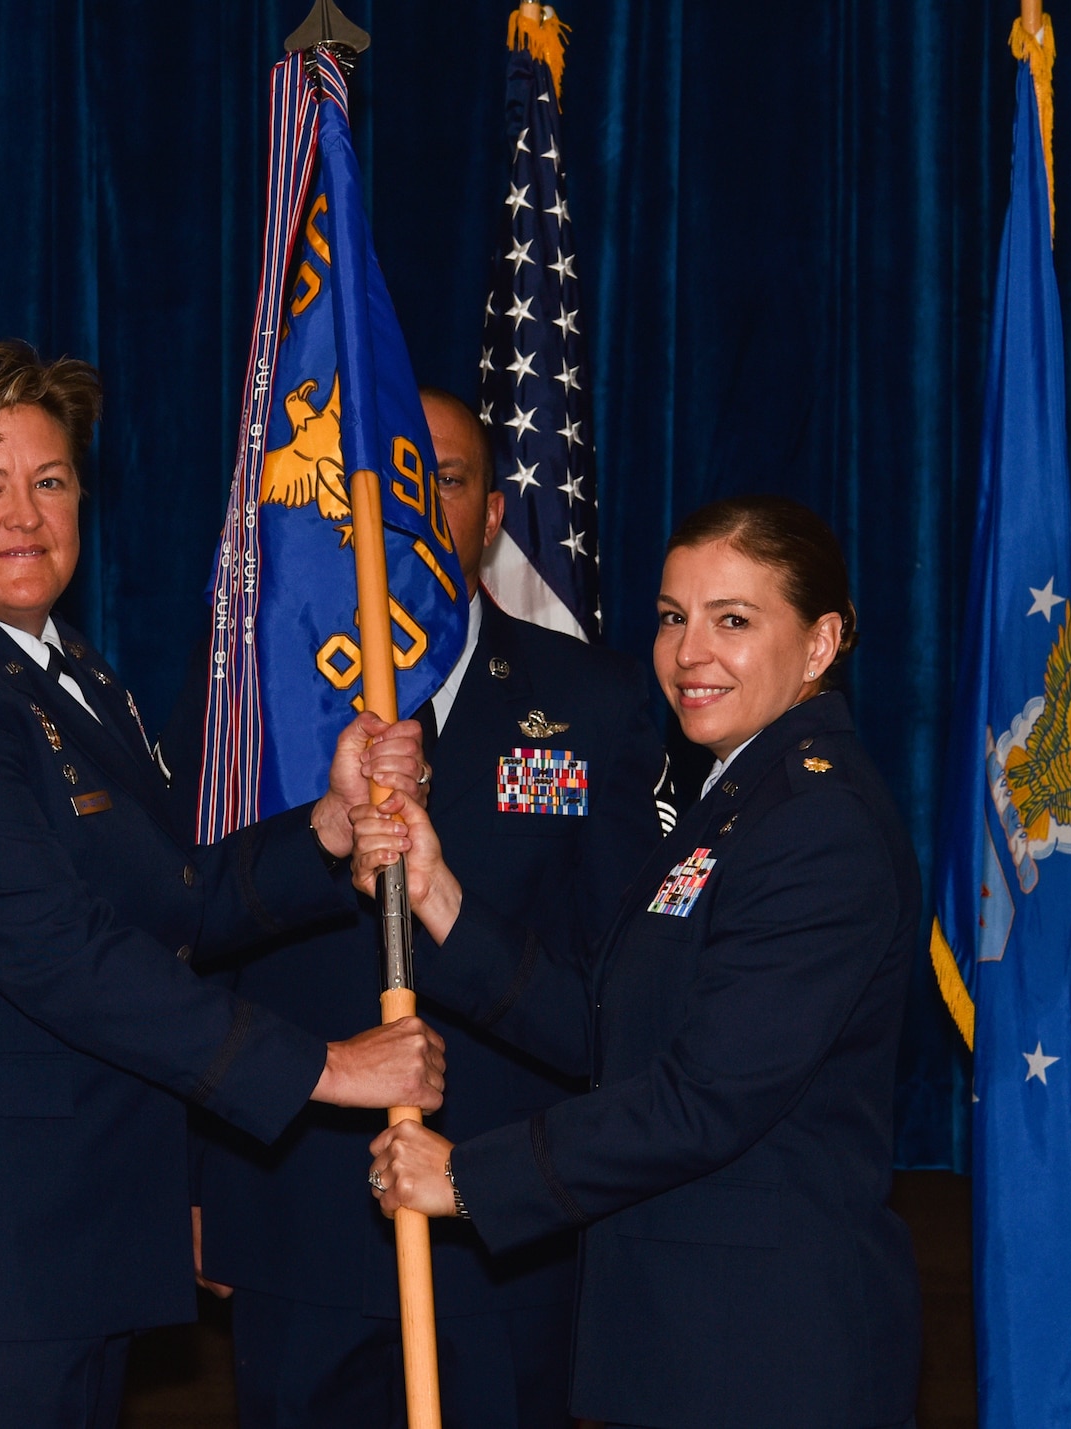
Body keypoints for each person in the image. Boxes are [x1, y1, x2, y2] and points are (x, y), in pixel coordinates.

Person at [0, 339, 447, 1429]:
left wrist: (326, 830)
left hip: (57, 1246)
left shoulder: (60, 670)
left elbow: (166, 896)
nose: (24, 517)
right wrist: (322, 1068)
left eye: (49, 482)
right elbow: (57, 951)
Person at [356, 494, 923, 1429]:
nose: (690, 652)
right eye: (672, 617)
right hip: (682, 1345)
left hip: (767, 1361)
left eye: (732, 621)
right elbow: (611, 1026)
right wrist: (437, 896)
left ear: (821, 644)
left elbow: (705, 1097)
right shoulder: (736, 797)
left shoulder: (819, 826)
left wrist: (469, 1178)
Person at [164, 389, 667, 1428]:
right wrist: (195, 1181)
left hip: (502, 1227)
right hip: (289, 1213)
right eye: (391, 475)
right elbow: (188, 943)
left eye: (444, 477)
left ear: (489, 514)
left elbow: (614, 984)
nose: (414, 500)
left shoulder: (595, 702)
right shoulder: (256, 703)